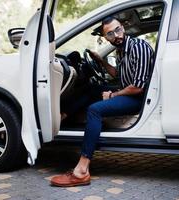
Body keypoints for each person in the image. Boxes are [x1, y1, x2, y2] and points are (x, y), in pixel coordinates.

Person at [51, 16, 155, 187]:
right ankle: (62, 116)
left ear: (123, 26)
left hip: (137, 99)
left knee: (94, 110)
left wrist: (113, 96)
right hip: (127, 93)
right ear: (106, 37)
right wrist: (100, 61)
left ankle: (82, 170)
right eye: (111, 34)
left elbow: (138, 87)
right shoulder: (121, 50)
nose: (117, 35)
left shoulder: (139, 48)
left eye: (118, 30)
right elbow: (118, 75)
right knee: (92, 89)